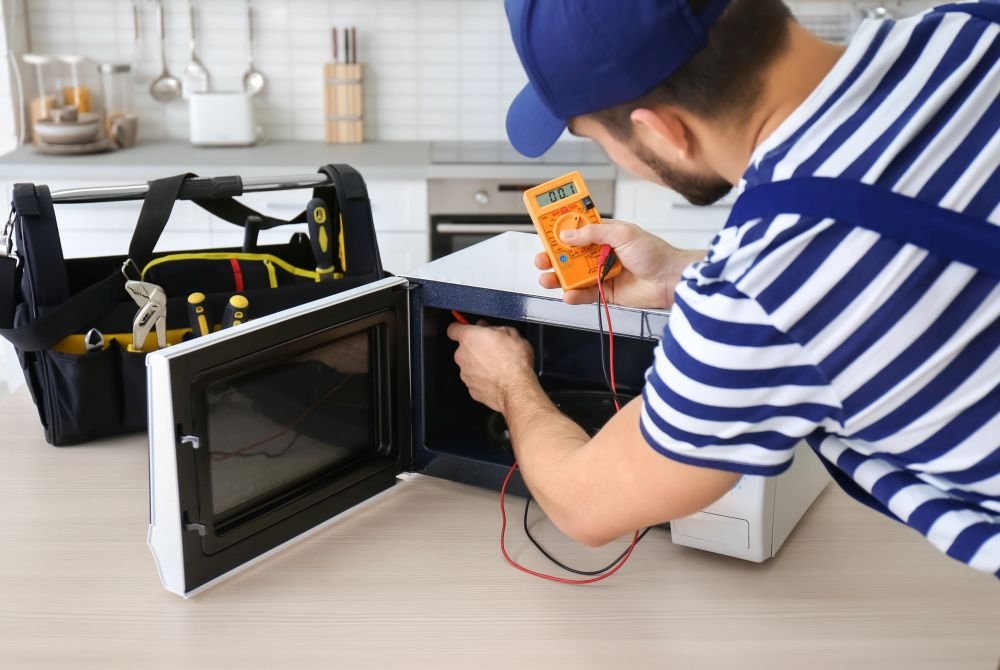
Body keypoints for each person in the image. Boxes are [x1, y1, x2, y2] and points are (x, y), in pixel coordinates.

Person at [446, 0, 1000, 576]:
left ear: (663, 132)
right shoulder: (974, 28)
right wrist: (683, 275)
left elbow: (584, 505)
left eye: (598, 141)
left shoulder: (759, 290)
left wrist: (509, 380)